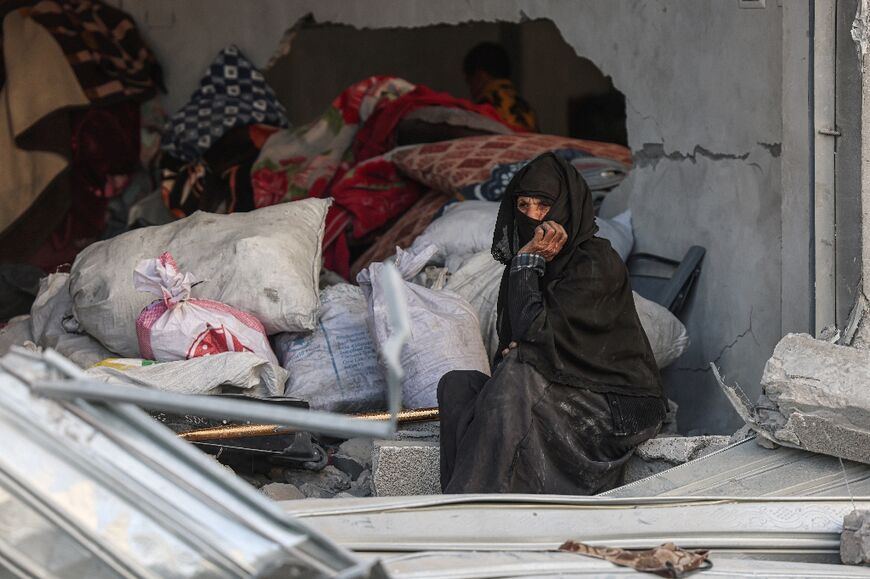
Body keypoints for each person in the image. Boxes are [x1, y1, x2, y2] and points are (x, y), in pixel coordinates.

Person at [438, 153, 666, 495]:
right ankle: (461, 494)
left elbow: (534, 339)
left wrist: (528, 265)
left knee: (519, 369)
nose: (532, 217)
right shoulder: (525, 265)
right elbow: (520, 342)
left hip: (614, 403)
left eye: (543, 206)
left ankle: (477, 501)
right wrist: (530, 338)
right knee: (457, 384)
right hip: (551, 383)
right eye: (523, 205)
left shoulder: (596, 262)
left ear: (566, 207)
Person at [463, 42, 539, 132]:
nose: (470, 90)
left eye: (469, 82)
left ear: (480, 76)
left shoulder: (486, 105)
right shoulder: (525, 107)